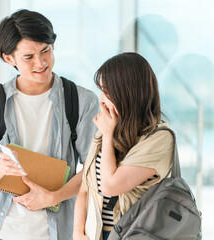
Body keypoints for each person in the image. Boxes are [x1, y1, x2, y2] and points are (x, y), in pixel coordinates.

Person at [0, 9, 99, 240]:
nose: (41, 62)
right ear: (8, 58)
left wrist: (53, 197)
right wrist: (0, 168)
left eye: (46, 50)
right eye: (28, 57)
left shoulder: (81, 101)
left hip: (56, 231)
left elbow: (94, 169)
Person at [73, 52, 174, 240]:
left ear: (129, 93)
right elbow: (84, 189)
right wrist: (77, 233)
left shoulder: (159, 139)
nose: (101, 99)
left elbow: (110, 186)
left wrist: (109, 135)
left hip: (132, 235)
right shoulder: (108, 128)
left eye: (108, 92)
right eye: (101, 90)